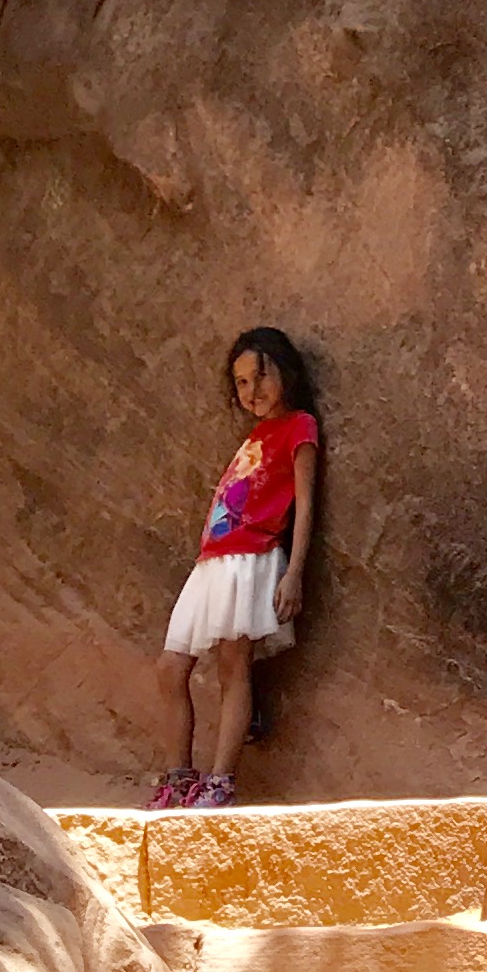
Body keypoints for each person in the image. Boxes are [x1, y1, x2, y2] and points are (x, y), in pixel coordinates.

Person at [147, 328, 319, 811]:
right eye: (241, 382)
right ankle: (178, 775)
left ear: (286, 371)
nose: (252, 391)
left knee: (232, 666)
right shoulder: (256, 434)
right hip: (212, 562)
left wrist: (294, 573)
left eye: (260, 376)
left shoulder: (300, 426)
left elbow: (305, 505)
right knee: (170, 667)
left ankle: (220, 782)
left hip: (251, 558)